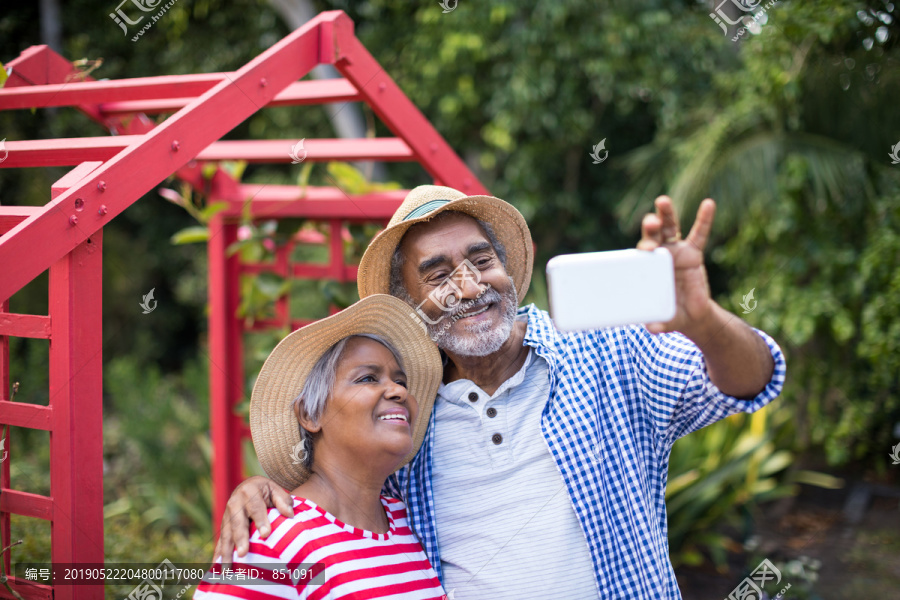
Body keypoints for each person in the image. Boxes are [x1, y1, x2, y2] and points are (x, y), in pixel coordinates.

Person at [214, 186, 786, 600]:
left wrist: (703, 319)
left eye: (482, 260)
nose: (469, 285)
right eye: (437, 275)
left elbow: (750, 383)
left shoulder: (608, 352)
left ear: (507, 270)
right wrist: (266, 488)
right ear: (409, 306)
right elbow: (341, 493)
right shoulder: (406, 419)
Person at [196, 294, 447, 600]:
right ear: (310, 415)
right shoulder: (268, 537)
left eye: (401, 381)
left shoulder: (408, 521)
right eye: (368, 378)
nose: (397, 391)